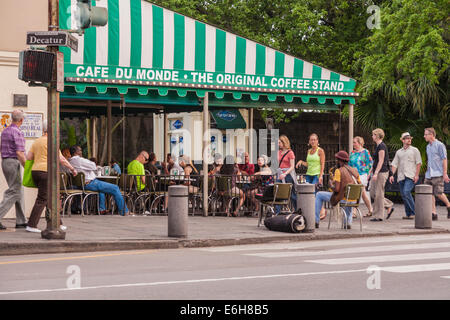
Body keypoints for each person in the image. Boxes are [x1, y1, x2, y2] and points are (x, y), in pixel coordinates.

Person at [25, 121, 78, 233]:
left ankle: (58, 223)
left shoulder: (36, 141)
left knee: (50, 198)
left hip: (36, 171)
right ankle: (31, 225)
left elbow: (29, 157)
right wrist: (72, 169)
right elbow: (61, 159)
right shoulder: (52, 142)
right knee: (42, 199)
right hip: (46, 172)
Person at [69, 145, 129, 216]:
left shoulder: (69, 161)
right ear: (76, 152)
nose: (81, 152)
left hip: (79, 185)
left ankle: (101, 209)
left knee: (102, 190)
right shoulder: (79, 160)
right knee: (115, 188)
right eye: (80, 150)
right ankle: (124, 211)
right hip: (90, 183)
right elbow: (93, 166)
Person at [314, 151, 361, 229]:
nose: (337, 161)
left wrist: (331, 184)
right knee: (348, 196)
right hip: (354, 199)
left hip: (342, 198)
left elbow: (337, 189)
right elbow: (359, 184)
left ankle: (316, 221)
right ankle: (348, 222)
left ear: (340, 160)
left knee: (319, 194)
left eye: (337, 160)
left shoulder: (338, 171)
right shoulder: (355, 171)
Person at [0, 110, 27, 230]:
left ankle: (21, 221)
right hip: (13, 162)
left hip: (5, 162)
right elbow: (20, 153)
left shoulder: (5, 131)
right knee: (14, 191)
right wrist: (27, 167)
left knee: (18, 190)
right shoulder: (17, 132)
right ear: (21, 120)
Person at [389, 132, 422, 219]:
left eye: (410, 138)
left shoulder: (415, 150)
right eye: (407, 138)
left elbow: (419, 163)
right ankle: (409, 214)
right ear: (403, 140)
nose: (409, 139)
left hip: (410, 176)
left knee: (406, 192)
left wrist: (417, 175)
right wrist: (392, 175)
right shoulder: (399, 152)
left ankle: (415, 212)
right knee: (403, 195)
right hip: (401, 176)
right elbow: (394, 164)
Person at [423, 127, 450, 220]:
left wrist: (445, 173)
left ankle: (448, 205)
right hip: (429, 174)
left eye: (426, 134)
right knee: (429, 193)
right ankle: (433, 213)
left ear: (431, 135)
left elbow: (444, 159)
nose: (424, 136)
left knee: (438, 193)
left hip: (438, 173)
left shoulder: (440, 145)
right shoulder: (428, 147)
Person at [369, 128, 394, 221]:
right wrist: (371, 171)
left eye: (373, 135)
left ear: (377, 136)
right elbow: (375, 161)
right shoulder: (378, 146)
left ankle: (378, 215)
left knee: (379, 194)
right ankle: (388, 204)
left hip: (382, 172)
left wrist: (376, 173)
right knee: (373, 193)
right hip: (376, 171)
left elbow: (382, 161)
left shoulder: (382, 146)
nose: (372, 136)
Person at [349, 136, 374, 217]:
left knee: (357, 191)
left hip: (362, 175)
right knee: (363, 194)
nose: (353, 144)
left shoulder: (365, 152)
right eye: (353, 142)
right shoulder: (352, 153)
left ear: (359, 143)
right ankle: (371, 209)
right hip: (354, 175)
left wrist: (368, 174)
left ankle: (354, 211)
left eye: (354, 142)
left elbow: (370, 163)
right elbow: (349, 164)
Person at [277, 135, 297, 211]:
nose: (278, 144)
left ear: (284, 142)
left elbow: (292, 166)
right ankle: (277, 212)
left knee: (292, 194)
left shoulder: (290, 153)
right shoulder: (278, 152)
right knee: (278, 192)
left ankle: (297, 209)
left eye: (279, 143)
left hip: (288, 175)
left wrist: (285, 174)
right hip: (280, 174)